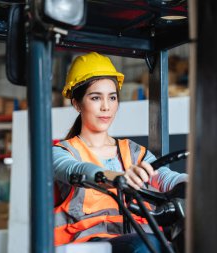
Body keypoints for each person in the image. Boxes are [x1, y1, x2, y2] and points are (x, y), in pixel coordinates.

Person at [53, 52, 188, 252]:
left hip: (139, 234)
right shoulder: (63, 152)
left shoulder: (133, 151)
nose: (106, 106)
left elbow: (165, 178)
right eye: (96, 97)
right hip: (91, 242)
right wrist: (120, 178)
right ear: (77, 103)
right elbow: (78, 169)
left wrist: (195, 184)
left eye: (112, 97)